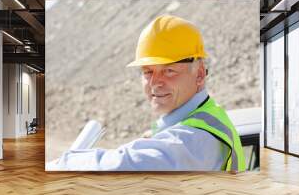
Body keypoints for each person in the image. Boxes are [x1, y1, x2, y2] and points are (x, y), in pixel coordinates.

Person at [47, 15, 245, 171]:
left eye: (169, 70)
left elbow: (124, 165)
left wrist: (61, 164)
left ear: (199, 74)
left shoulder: (198, 137)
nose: (154, 83)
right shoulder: (199, 118)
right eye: (148, 71)